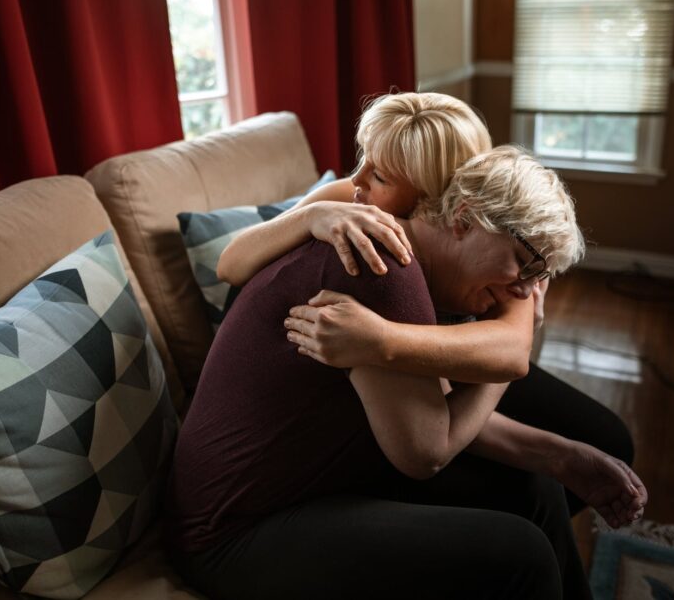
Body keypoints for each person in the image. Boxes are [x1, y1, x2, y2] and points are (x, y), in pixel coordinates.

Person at [167, 147, 647, 599]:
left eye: (535, 279)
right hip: (236, 531)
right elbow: (426, 453)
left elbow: (428, 411)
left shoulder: (405, 264)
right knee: (521, 555)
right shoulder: (376, 265)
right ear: (463, 218)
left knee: (533, 487)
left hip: (327, 476)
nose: (522, 293)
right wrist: (510, 352)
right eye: (521, 266)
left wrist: (562, 457)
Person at [218, 92, 636, 519]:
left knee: (609, 438)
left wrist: (382, 339)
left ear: (436, 200)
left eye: (380, 174)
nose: (359, 180)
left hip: (432, 360)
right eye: (364, 161)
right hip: (311, 378)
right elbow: (229, 265)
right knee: (535, 488)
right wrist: (311, 215)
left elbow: (511, 354)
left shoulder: (499, 235)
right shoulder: (352, 204)